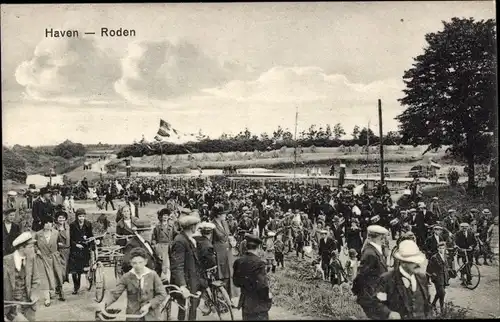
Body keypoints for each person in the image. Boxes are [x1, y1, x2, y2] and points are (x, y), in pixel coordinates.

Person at [365, 239, 431, 319]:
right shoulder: (387, 279)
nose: (418, 264)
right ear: (403, 262)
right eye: (413, 261)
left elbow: (427, 306)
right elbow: (376, 303)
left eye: (418, 261)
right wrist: (388, 313)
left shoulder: (422, 278)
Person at [100, 247, 167, 321]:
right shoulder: (127, 277)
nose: (138, 266)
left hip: (151, 316)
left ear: (145, 262)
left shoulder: (153, 275)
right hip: (133, 316)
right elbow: (115, 293)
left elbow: (162, 294)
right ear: (131, 263)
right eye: (134, 263)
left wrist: (149, 305)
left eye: (140, 262)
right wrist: (105, 304)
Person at [170, 215, 204, 321]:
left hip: (192, 281)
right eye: (196, 226)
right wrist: (182, 285)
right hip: (187, 283)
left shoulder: (186, 238)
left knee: (190, 310)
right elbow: (177, 265)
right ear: (192, 227)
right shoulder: (180, 241)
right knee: (185, 312)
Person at [233, 234, 273, 321]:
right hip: (258, 305)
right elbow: (262, 285)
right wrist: (268, 297)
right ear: (258, 248)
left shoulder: (238, 261)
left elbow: (236, 282)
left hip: (246, 303)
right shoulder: (260, 263)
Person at [353, 225, 389, 316]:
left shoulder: (374, 251)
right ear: (380, 237)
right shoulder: (371, 254)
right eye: (384, 237)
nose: (385, 240)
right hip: (371, 297)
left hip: (376, 295)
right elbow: (361, 276)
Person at [3, 232, 40, 322]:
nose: (34, 249)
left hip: (29, 304)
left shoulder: (32, 258)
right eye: (31, 247)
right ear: (22, 248)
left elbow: (36, 280)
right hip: (11, 306)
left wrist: (34, 295)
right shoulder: (6, 261)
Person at [35, 218, 67, 305]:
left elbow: (61, 242)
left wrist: (59, 246)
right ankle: (47, 298)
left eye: (50, 222)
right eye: (46, 223)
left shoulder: (56, 233)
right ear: (42, 224)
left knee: (58, 275)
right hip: (43, 258)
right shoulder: (38, 234)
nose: (48, 224)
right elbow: (34, 244)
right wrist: (37, 250)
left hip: (54, 257)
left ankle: (60, 292)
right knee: (45, 278)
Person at [211, 204, 236, 300]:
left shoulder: (224, 223)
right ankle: (220, 299)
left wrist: (232, 240)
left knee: (230, 273)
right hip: (219, 252)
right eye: (223, 214)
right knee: (221, 274)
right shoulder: (212, 225)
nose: (225, 215)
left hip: (228, 251)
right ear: (218, 215)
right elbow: (210, 241)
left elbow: (228, 234)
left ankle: (229, 298)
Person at [68, 208, 94, 295]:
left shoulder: (88, 224)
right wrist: (75, 245)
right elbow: (70, 238)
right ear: (76, 216)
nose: (81, 218)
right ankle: (76, 286)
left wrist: (91, 244)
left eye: (83, 216)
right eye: (79, 216)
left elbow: (91, 236)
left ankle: (88, 280)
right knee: (74, 270)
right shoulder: (72, 225)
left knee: (84, 268)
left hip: (85, 248)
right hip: (75, 249)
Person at [151, 208, 177, 281]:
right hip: (161, 248)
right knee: (164, 266)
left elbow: (176, 235)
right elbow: (153, 239)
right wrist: (156, 246)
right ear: (161, 217)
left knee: (172, 264)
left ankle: (171, 280)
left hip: (171, 247)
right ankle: (163, 280)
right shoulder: (157, 227)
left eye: (166, 215)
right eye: (163, 215)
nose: (165, 217)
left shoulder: (172, 226)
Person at [427, 241, 449, 313]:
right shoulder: (434, 257)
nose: (441, 249)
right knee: (442, 293)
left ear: (445, 248)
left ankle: (433, 304)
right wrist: (432, 276)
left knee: (439, 293)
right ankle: (442, 310)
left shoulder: (445, 256)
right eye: (440, 248)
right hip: (437, 278)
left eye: (443, 248)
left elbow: (446, 266)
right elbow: (429, 268)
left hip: (444, 277)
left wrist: (448, 275)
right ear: (437, 248)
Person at [55, 211, 71, 284]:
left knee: (67, 268)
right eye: (60, 218)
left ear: (65, 219)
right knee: (61, 269)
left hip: (68, 250)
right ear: (57, 219)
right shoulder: (54, 228)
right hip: (59, 250)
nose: (61, 219)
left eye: (63, 218)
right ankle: (60, 284)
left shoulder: (68, 227)